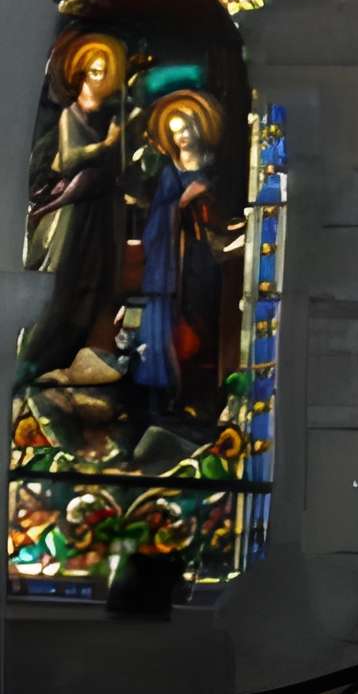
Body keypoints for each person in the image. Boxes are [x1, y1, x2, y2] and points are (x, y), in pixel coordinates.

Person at [22, 34, 130, 384]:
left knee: (95, 283)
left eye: (106, 73)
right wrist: (107, 144)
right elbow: (69, 161)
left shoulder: (108, 115)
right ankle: (40, 358)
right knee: (66, 279)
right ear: (81, 75)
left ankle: (75, 359)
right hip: (71, 210)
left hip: (99, 211)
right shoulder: (71, 115)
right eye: (95, 72)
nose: (102, 80)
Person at [132, 91, 233, 424]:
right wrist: (180, 203)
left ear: (198, 125)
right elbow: (159, 215)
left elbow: (225, 210)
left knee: (205, 317)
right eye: (175, 131)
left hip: (206, 256)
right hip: (173, 259)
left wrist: (205, 197)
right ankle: (170, 398)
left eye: (186, 127)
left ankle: (200, 398)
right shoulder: (168, 173)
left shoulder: (215, 168)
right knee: (174, 323)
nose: (182, 136)